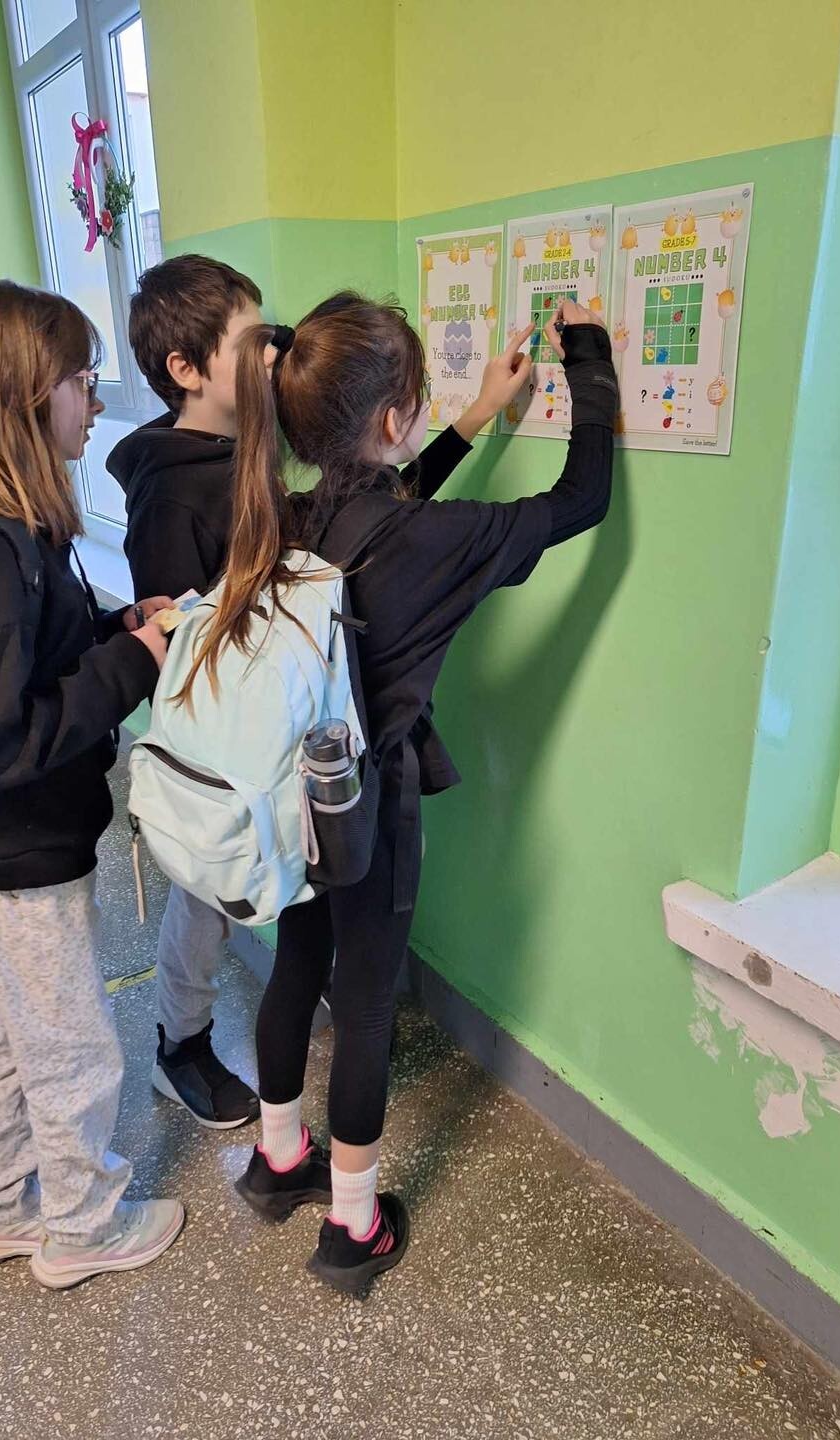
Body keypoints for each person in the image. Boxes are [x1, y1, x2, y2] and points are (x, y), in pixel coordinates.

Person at [190, 292, 617, 1294]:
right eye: (419, 403)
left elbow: (384, 511)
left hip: (286, 799)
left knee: (297, 963)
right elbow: (582, 500)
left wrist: (474, 418)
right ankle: (353, 1226)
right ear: (393, 419)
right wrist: (589, 359)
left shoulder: (284, 515)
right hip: (367, 814)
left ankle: (280, 1160)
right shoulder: (437, 542)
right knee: (369, 1005)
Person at [108, 253, 534, 1128]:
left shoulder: (252, 456)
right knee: (205, 899)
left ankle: (280, 1090)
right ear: (185, 370)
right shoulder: (174, 495)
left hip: (284, 743)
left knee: (281, 918)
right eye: (254, 341)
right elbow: (183, 647)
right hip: (229, 757)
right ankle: (180, 1045)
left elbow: (379, 514)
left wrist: (473, 418)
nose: (274, 353)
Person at [0, 279, 184, 1290]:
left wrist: (113, 630)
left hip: (5, 840)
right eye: (82, 381)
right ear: (23, 395)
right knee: (71, 1046)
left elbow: (21, 665)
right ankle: (84, 1227)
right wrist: (133, 663)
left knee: (15, 1030)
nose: (94, 402)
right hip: (16, 841)